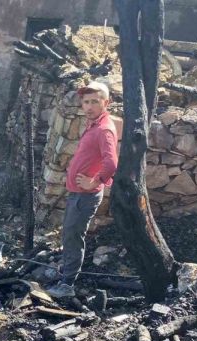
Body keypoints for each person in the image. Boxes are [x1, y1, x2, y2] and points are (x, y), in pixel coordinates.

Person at [47, 81, 118, 298]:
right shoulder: (94, 124)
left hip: (85, 195)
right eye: (86, 102)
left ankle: (67, 284)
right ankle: (66, 272)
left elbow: (111, 163)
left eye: (95, 102)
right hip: (78, 194)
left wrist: (94, 182)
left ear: (106, 103)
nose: (89, 106)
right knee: (69, 233)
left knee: (73, 236)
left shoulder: (104, 129)